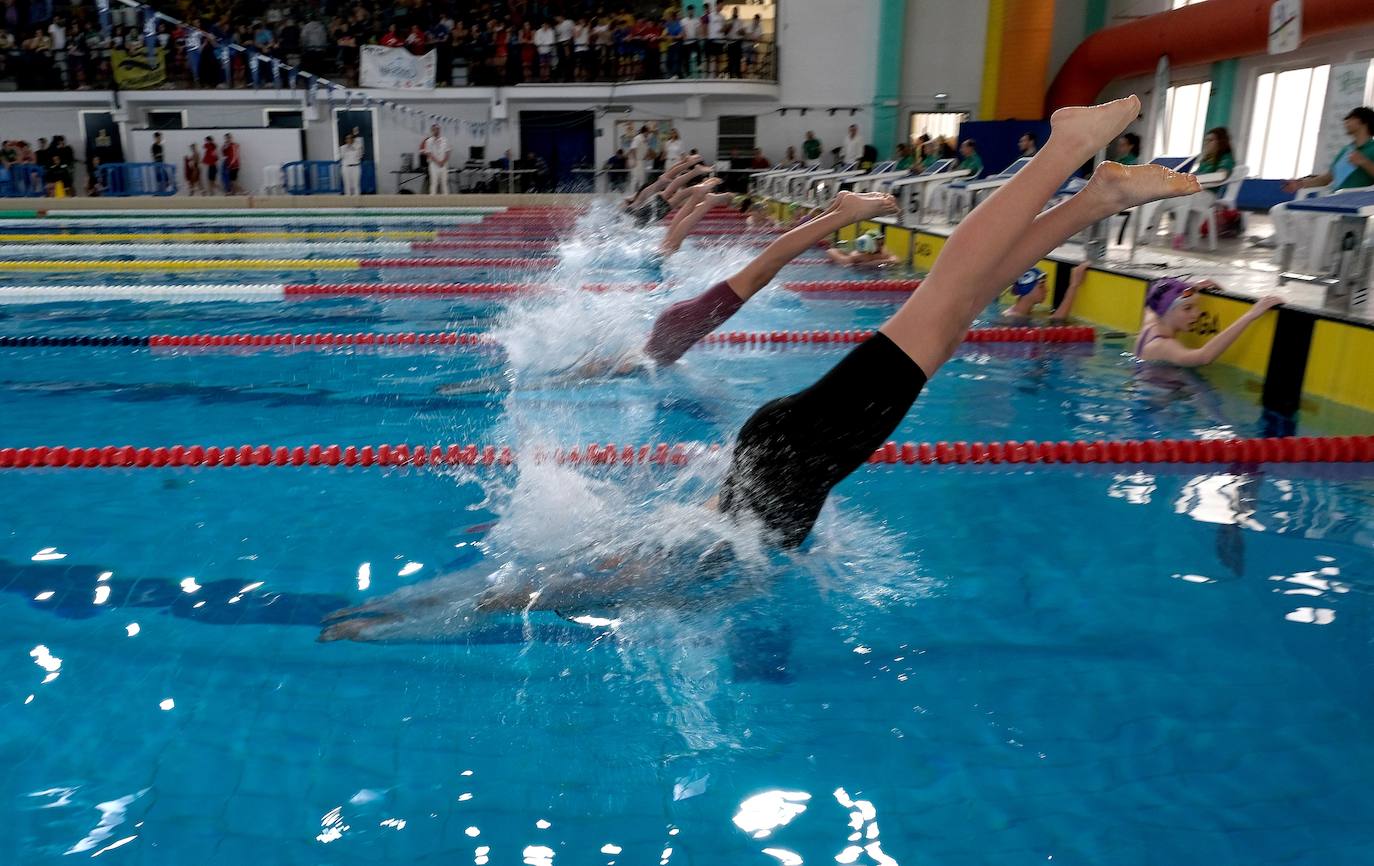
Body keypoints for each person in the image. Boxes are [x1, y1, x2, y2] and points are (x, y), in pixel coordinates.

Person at [346, 98, 1203, 632]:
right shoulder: (688, 546)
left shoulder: (678, 557)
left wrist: (419, 621)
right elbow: (559, 574)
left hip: (796, 454)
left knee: (944, 307)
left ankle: (1065, 157)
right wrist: (418, 609)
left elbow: (539, 589)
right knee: (950, 312)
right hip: (781, 453)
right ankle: (1097, 196)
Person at [1267, 106, 1374, 258]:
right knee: (1278, 210)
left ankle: (1305, 258)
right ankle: (1287, 252)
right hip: (1333, 199)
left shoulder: (1372, 148)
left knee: (1300, 215)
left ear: (1361, 122)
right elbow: (1327, 178)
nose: (1346, 123)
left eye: (1350, 119)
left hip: (1354, 202)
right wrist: (1300, 183)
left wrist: (1363, 162)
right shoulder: (1347, 150)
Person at [1134, 277, 1282, 367]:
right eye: (1187, 308)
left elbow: (1157, 293)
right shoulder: (1164, 346)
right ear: (1166, 312)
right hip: (1159, 413)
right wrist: (1250, 315)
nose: (1197, 313)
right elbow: (1204, 357)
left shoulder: (1151, 321)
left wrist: (1193, 287)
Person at [1168, 126, 1236, 249]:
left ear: (1220, 141)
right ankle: (1148, 232)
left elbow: (1221, 176)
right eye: (1206, 140)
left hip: (1208, 194)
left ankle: (1178, 236)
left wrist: (1196, 182)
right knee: (1166, 197)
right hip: (1196, 192)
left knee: (1184, 199)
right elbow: (1195, 175)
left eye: (1211, 140)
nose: (1207, 143)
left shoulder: (1225, 158)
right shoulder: (1206, 160)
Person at [999, 263, 1081, 322]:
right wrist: (1074, 285)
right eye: (1041, 286)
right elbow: (1057, 320)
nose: (1047, 289)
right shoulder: (1013, 317)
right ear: (1027, 290)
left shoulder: (1026, 313)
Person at [826, 229, 900, 268]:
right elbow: (830, 251)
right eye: (879, 243)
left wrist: (869, 263)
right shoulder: (856, 256)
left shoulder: (882, 250)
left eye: (882, 243)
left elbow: (896, 260)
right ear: (870, 244)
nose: (882, 245)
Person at [421, 124, 450, 195]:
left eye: (438, 129)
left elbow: (448, 152)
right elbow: (429, 153)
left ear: (439, 130)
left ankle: (447, 201)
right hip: (434, 165)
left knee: (444, 183)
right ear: (432, 131)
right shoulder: (428, 141)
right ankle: (432, 200)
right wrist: (437, 162)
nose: (436, 131)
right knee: (434, 182)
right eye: (434, 130)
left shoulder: (445, 140)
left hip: (443, 164)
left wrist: (443, 161)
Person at [340, 130, 364, 196]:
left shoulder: (358, 147)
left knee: (356, 184)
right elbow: (342, 156)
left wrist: (355, 147)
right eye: (347, 138)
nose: (349, 140)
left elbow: (360, 156)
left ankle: (357, 201)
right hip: (346, 167)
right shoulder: (342, 148)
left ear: (353, 139)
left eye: (351, 138)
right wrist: (348, 147)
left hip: (355, 167)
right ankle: (348, 200)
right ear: (345, 140)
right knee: (347, 184)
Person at [628, 125, 649, 190]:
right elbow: (633, 149)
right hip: (636, 160)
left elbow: (645, 150)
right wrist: (634, 160)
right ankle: (631, 194)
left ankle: (639, 195)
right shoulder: (638, 138)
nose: (649, 134)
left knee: (642, 179)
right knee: (635, 178)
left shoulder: (645, 139)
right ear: (645, 131)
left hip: (641, 161)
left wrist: (645, 156)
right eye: (648, 132)